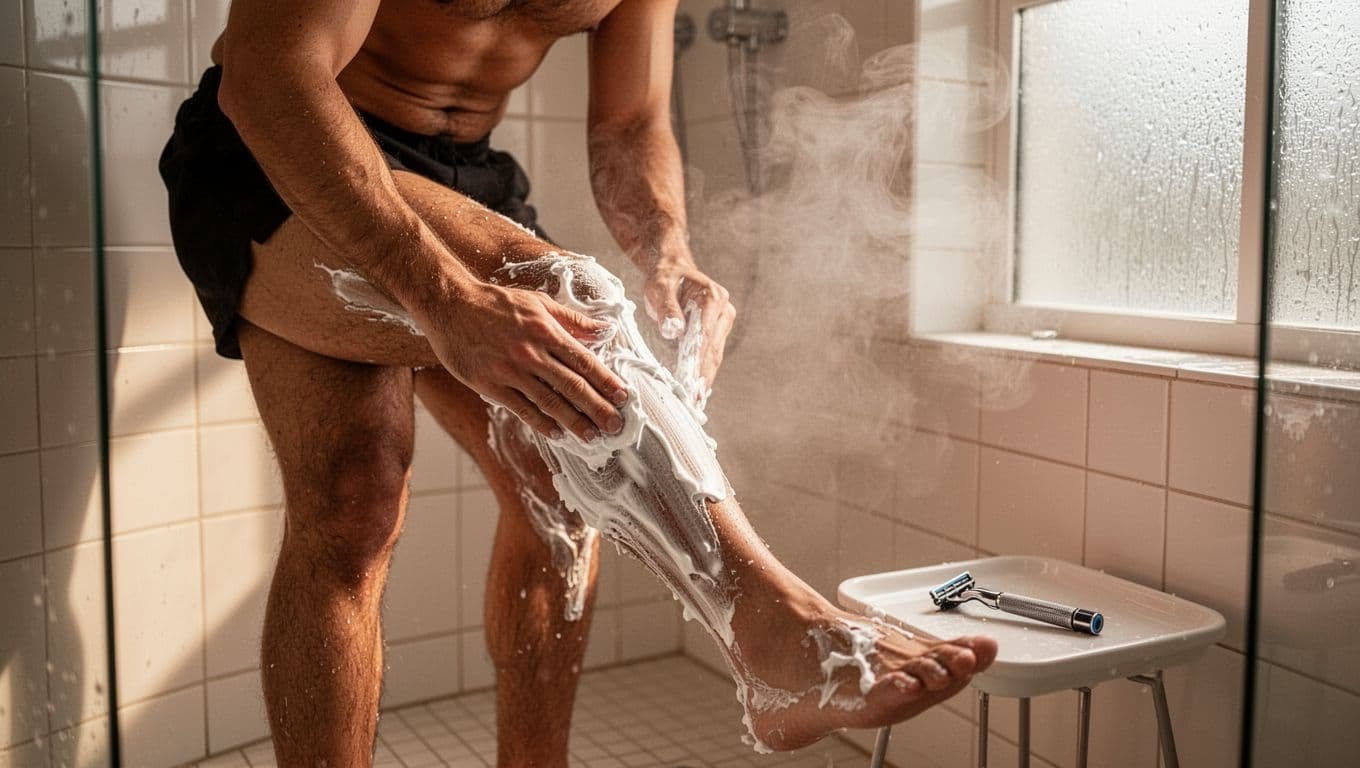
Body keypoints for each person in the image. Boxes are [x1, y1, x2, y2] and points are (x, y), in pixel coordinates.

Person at [159, 0, 998, 765]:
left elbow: (631, 121)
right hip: (287, 147)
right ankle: (775, 626)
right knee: (354, 499)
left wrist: (669, 252)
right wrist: (446, 297)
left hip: (461, 172)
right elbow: (271, 76)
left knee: (555, 492)